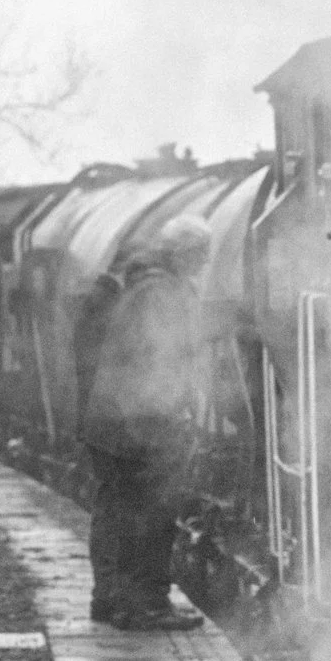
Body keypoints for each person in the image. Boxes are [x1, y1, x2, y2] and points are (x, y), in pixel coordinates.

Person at [76, 266, 194, 629]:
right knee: (151, 515)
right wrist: (174, 412)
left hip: (113, 423)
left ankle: (113, 600)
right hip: (135, 426)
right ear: (188, 256)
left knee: (116, 513)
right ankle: (146, 605)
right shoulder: (155, 295)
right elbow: (156, 360)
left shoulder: (133, 293)